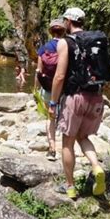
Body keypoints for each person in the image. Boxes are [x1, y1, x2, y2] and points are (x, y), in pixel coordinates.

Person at [48, 7, 105, 199]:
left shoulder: (66, 43)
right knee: (84, 136)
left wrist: (53, 102)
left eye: (64, 20)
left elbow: (60, 76)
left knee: (68, 141)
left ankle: (70, 186)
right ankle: (96, 167)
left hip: (75, 97)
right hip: (96, 96)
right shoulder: (96, 41)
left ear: (68, 21)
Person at [34, 18, 66, 161]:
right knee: (65, 118)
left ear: (50, 31)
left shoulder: (44, 48)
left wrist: (36, 89)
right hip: (66, 89)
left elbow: (39, 71)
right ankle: (67, 149)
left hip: (48, 89)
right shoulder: (68, 46)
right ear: (64, 31)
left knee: (50, 118)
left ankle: (52, 149)